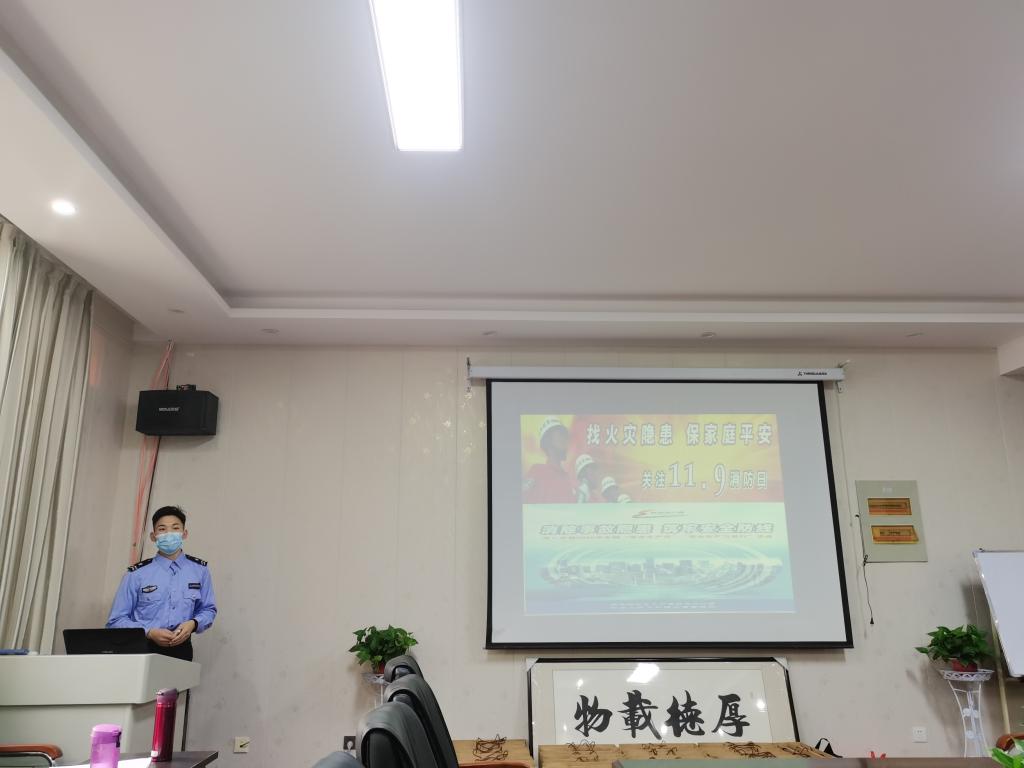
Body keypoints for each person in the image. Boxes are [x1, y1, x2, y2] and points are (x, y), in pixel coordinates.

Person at [107, 505, 216, 661]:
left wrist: (193, 623)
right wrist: (149, 632)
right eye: (162, 529)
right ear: (153, 536)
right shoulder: (137, 574)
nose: (169, 534)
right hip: (142, 648)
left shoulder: (200, 571)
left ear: (184, 534)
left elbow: (208, 609)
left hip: (182, 650)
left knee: (177, 679)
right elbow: (116, 621)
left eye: (175, 528)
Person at [523, 418, 576, 504]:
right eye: (560, 434)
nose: (565, 440)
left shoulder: (567, 479)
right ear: (547, 441)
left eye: (565, 436)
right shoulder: (537, 471)